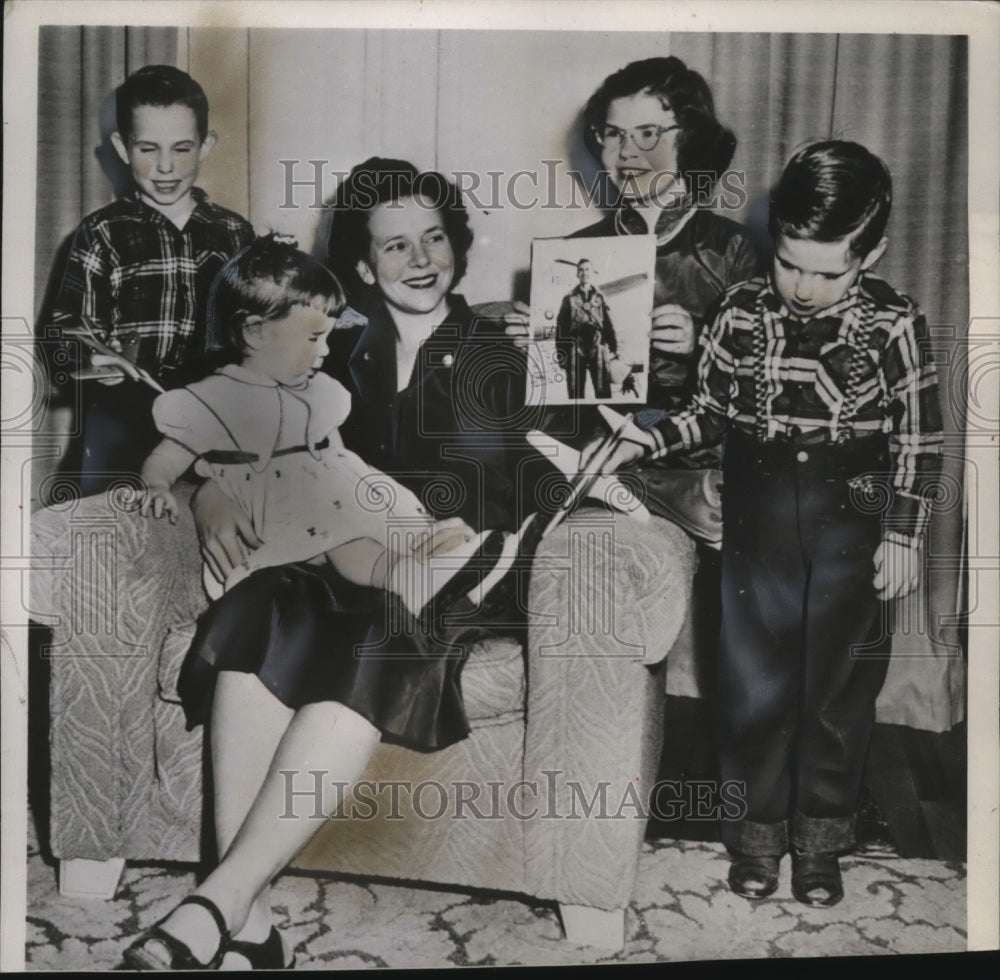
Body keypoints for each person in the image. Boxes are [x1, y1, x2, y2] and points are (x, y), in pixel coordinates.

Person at [125, 162, 536, 971]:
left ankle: (218, 898)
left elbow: (543, 467)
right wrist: (206, 493)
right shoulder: (327, 344)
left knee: (377, 627)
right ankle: (246, 922)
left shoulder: (506, 344)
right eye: (393, 245)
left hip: (449, 569)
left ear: (458, 245)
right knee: (257, 603)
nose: (420, 259)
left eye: (435, 238)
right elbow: (218, 411)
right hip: (329, 552)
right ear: (358, 264)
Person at [610, 141, 943, 906]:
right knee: (752, 691)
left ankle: (821, 845)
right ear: (777, 240)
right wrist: (648, 436)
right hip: (754, 524)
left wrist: (903, 532)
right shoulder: (738, 308)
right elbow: (707, 413)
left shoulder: (896, 324)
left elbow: (922, 439)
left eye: (829, 272)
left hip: (850, 523)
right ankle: (755, 840)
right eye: (792, 263)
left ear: (873, 253)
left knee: (833, 697)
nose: (803, 287)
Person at [50, 64, 254, 496]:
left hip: (213, 416)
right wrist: (91, 362)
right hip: (123, 419)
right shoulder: (101, 231)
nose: (165, 167)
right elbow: (66, 328)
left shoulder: (234, 232)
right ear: (123, 148)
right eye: (148, 149)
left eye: (182, 149)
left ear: (206, 146)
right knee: (114, 537)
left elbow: (260, 322)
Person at [555, 258, 619, 399]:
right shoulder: (568, 299)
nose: (584, 273)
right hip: (576, 346)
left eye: (587, 269)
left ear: (592, 272)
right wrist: (561, 354)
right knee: (575, 389)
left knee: (603, 390)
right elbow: (561, 327)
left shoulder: (600, 298)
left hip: (597, 345)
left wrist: (614, 348)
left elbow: (607, 324)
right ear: (577, 274)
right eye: (581, 270)